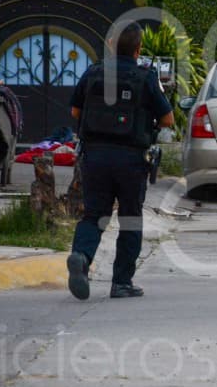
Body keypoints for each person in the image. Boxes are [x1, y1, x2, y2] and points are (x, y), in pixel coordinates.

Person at [66, 22, 174, 300]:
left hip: (95, 157)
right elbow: (168, 119)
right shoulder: (146, 77)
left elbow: (76, 111)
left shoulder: (93, 73)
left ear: (112, 46)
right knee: (130, 219)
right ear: (138, 49)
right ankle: (121, 282)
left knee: (93, 215)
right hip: (130, 160)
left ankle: (81, 256)